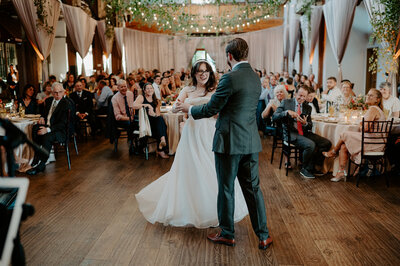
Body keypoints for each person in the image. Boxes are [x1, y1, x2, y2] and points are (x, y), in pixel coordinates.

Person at [175, 38, 271, 250]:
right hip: (251, 141)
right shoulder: (256, 78)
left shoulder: (229, 78)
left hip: (228, 142)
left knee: (226, 188)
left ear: (229, 56)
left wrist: (189, 110)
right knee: (253, 189)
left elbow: (211, 108)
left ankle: (227, 234)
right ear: (246, 53)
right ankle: (263, 235)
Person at [136, 59, 248, 232]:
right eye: (199, 71)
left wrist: (194, 107)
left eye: (206, 71)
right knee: (191, 166)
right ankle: (191, 207)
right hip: (192, 131)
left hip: (210, 130)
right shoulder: (187, 90)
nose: (203, 74)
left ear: (210, 73)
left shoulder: (215, 90)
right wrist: (181, 107)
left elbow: (219, 112)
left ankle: (213, 208)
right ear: (194, 74)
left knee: (211, 166)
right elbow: (174, 108)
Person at [323, 89, 386, 182]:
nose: (367, 96)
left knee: (344, 134)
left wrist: (361, 125)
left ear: (378, 99)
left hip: (372, 143)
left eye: (371, 95)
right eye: (367, 94)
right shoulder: (376, 109)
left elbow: (365, 128)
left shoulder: (373, 109)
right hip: (374, 141)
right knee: (344, 146)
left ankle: (334, 151)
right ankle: (340, 172)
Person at [272, 85, 332, 179]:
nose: (302, 98)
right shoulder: (286, 102)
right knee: (310, 144)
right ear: (295, 93)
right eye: (300, 95)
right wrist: (287, 112)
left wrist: (305, 123)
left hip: (304, 133)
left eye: (304, 96)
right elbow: (274, 117)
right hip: (291, 134)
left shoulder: (308, 107)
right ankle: (305, 169)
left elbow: (310, 125)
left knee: (326, 143)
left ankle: (313, 165)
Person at [27, 83, 69, 175]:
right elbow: (44, 113)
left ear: (63, 92)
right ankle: (37, 154)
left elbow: (63, 124)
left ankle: (42, 164)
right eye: (55, 92)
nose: (57, 95)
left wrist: (48, 130)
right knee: (34, 128)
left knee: (47, 136)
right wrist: (42, 117)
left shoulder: (66, 104)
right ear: (52, 92)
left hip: (60, 131)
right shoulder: (49, 100)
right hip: (48, 125)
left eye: (60, 92)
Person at [132, 83, 169, 158]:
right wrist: (147, 105)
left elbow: (157, 114)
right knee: (161, 124)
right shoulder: (141, 97)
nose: (149, 90)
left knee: (160, 119)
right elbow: (134, 105)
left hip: (154, 123)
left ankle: (162, 141)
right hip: (145, 123)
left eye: (151, 88)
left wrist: (153, 114)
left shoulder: (156, 101)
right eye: (147, 88)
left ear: (153, 90)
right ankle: (161, 148)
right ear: (144, 91)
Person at [111, 80, 136, 153]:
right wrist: (129, 118)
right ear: (118, 88)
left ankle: (140, 144)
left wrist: (133, 116)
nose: (124, 88)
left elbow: (133, 107)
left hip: (131, 117)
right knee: (130, 123)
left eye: (125, 86)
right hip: (121, 120)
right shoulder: (114, 98)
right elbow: (117, 116)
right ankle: (131, 144)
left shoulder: (130, 94)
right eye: (121, 87)